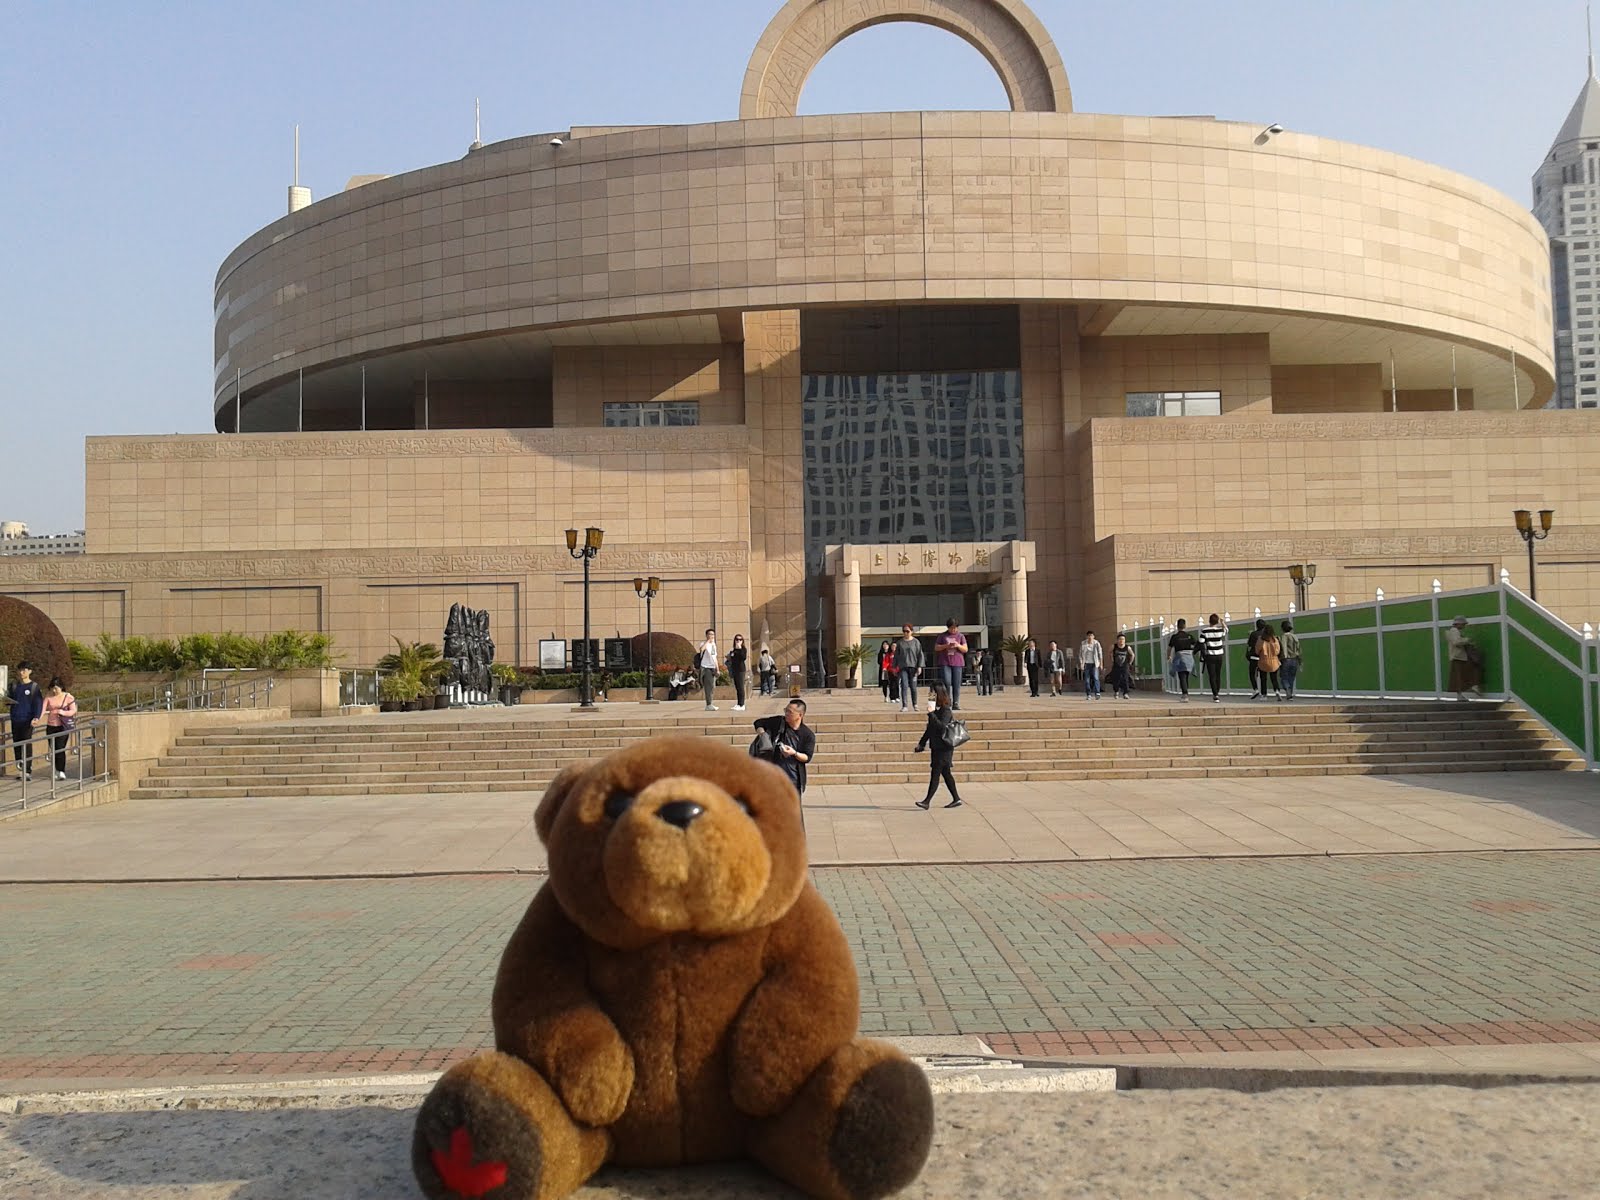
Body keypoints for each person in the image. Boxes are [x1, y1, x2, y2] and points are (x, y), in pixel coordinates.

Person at [753, 698, 815, 798]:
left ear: (800, 715)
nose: (786, 713)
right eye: (785, 710)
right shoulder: (778, 723)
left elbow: (807, 757)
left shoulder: (807, 734)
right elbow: (758, 723)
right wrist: (763, 736)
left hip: (793, 779)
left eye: (790, 712)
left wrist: (794, 753)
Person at [913, 685, 963, 809]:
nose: (931, 695)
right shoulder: (936, 710)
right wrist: (922, 743)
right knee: (946, 773)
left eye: (933, 693)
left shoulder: (945, 710)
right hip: (936, 747)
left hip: (944, 748)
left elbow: (942, 727)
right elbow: (930, 729)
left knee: (935, 773)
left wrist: (931, 715)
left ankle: (927, 801)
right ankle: (956, 799)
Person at [6, 660, 43, 781]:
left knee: (26, 744)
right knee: (17, 744)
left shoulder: (34, 687)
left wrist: (36, 717)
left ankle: (27, 770)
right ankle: (20, 768)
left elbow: (38, 703)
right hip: (16, 719)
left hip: (27, 720)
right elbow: (8, 700)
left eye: (24, 670)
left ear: (29, 671)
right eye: (20, 670)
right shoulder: (14, 686)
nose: (22, 672)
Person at [41, 677, 77, 781]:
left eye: (56, 688)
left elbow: (73, 710)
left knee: (60, 748)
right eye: (52, 688)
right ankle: (56, 770)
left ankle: (61, 770)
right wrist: (36, 718)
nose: (54, 691)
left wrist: (62, 712)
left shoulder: (68, 697)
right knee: (53, 749)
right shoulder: (48, 697)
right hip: (51, 726)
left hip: (62, 726)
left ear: (61, 687)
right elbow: (42, 710)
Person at [1446, 615, 1484, 701]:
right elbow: (1456, 642)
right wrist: (1467, 640)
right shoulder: (1454, 631)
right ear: (1458, 624)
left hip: (1458, 657)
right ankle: (1473, 686)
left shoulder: (1453, 631)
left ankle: (1462, 694)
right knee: (1467, 672)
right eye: (1463, 624)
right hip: (1459, 657)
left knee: (1458, 677)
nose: (1464, 626)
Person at [934, 620, 969, 711]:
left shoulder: (961, 636)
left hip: (957, 662)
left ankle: (956, 702)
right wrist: (946, 646)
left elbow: (965, 649)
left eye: (955, 628)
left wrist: (958, 645)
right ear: (948, 627)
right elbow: (936, 647)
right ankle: (947, 701)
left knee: (957, 683)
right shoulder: (942, 636)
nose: (953, 630)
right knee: (947, 682)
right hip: (945, 662)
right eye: (951, 628)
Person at [894, 624, 925, 712]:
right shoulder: (900, 643)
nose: (906, 633)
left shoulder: (916, 642)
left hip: (913, 667)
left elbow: (920, 655)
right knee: (904, 685)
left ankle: (915, 704)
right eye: (904, 631)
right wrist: (894, 667)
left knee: (913, 687)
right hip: (903, 667)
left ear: (912, 631)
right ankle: (905, 705)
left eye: (907, 631)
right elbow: (896, 656)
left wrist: (919, 666)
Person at [1166, 618, 1199, 701]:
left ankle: (1185, 694)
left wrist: (1168, 656)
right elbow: (1197, 645)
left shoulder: (1174, 637)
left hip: (1180, 658)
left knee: (1182, 676)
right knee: (1186, 675)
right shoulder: (1189, 636)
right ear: (1185, 626)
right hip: (1189, 658)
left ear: (1177, 626)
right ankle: (1185, 692)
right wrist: (1192, 652)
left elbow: (1169, 648)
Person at [1199, 613, 1227, 702]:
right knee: (1218, 674)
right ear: (1217, 621)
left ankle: (1215, 694)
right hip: (1219, 655)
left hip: (1210, 655)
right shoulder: (1219, 631)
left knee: (1212, 675)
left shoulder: (1204, 631)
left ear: (1209, 621)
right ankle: (1217, 692)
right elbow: (1226, 630)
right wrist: (1222, 623)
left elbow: (1201, 642)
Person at [1256, 622, 1283, 700]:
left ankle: (1264, 695)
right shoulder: (1275, 640)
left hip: (1263, 661)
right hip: (1274, 661)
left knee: (1263, 679)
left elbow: (1257, 650)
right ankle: (1277, 690)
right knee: (1274, 678)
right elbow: (1278, 651)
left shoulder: (1261, 639)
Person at [1107, 633, 1137, 699]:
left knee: (1125, 679)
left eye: (1123, 639)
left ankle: (1125, 693)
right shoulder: (1114, 646)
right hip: (1116, 665)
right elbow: (1109, 652)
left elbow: (1132, 655)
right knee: (1116, 679)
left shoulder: (1127, 647)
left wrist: (1130, 663)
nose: (1121, 641)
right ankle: (1116, 692)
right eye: (1120, 639)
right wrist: (1112, 659)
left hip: (1125, 666)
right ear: (1117, 640)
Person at [1279, 620, 1303, 701]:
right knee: (1291, 678)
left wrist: (1282, 658)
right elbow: (1299, 649)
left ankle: (1288, 690)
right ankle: (1290, 694)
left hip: (1286, 659)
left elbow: (1283, 647)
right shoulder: (1295, 636)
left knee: (1283, 677)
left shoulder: (1284, 636)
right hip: (1294, 659)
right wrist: (1300, 661)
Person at [696, 629, 719, 711]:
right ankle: (708, 704)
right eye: (710, 634)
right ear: (706, 635)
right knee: (708, 687)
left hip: (712, 667)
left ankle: (710, 703)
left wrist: (717, 668)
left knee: (712, 686)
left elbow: (714, 657)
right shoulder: (704, 643)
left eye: (713, 634)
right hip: (705, 667)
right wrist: (708, 641)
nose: (712, 636)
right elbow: (702, 649)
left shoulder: (713, 645)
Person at [726, 634, 748, 712]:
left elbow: (743, 657)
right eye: (737, 639)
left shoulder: (743, 649)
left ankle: (742, 704)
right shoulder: (733, 650)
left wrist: (739, 648)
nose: (738, 641)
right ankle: (739, 704)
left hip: (740, 670)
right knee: (737, 687)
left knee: (741, 687)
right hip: (735, 670)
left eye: (740, 640)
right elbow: (732, 659)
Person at [1079, 632, 1104, 699]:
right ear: (1087, 637)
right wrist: (1081, 664)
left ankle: (1097, 693)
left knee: (1096, 678)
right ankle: (1088, 694)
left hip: (1095, 663)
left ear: (1093, 636)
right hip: (1086, 663)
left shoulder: (1096, 643)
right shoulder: (1083, 643)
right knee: (1087, 680)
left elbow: (1100, 654)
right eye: (1089, 636)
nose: (1090, 637)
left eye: (1091, 636)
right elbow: (1081, 655)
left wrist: (1101, 664)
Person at [1245, 619, 1265, 698]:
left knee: (1252, 674)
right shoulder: (1265, 635)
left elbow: (1249, 645)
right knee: (1263, 676)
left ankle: (1256, 689)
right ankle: (1264, 693)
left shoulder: (1253, 634)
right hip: (1263, 657)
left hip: (1254, 657)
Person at [877, 639, 897, 703]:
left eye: (886, 644)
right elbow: (879, 662)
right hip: (883, 670)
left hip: (890, 670)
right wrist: (884, 664)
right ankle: (886, 696)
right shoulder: (880, 653)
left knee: (892, 684)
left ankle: (893, 696)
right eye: (884, 644)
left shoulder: (890, 653)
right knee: (884, 684)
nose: (885, 646)